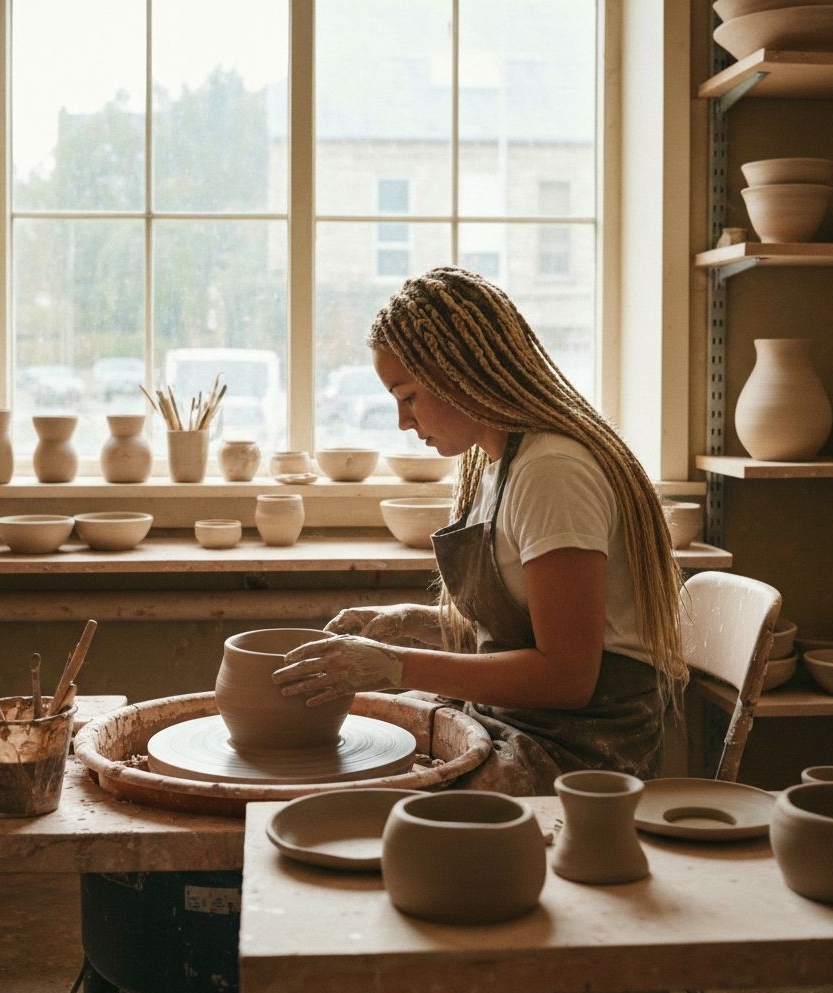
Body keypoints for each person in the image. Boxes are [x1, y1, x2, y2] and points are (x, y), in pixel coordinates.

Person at [274, 266, 688, 798]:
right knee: (369, 737)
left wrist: (394, 666)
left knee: (370, 788)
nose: (403, 421)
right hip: (523, 718)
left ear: (459, 373)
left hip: (583, 746)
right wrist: (410, 623)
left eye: (408, 396)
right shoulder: (496, 463)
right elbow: (518, 632)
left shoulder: (552, 471)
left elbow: (567, 676)